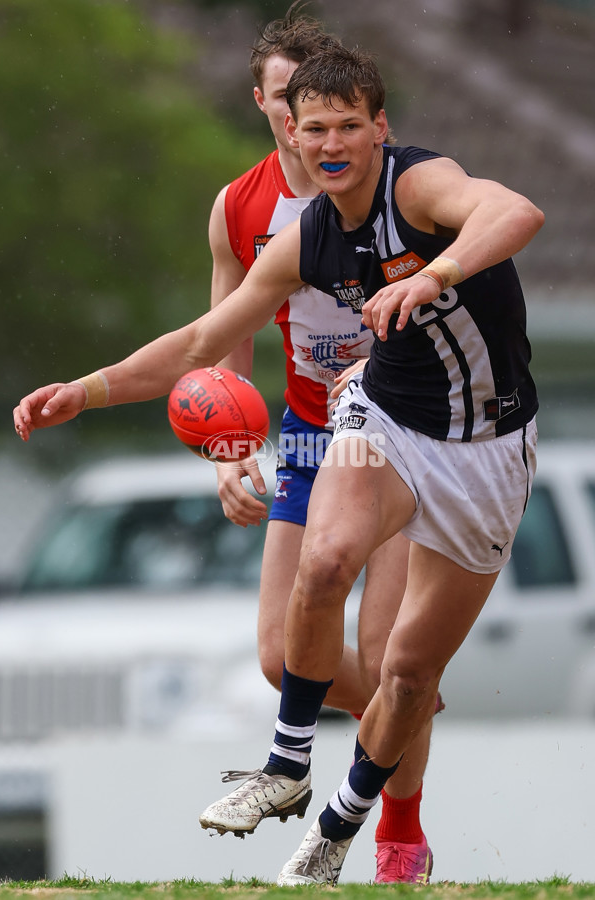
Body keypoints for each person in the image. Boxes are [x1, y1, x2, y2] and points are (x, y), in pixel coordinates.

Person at [13, 43, 544, 885]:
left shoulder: (418, 185)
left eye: (346, 128)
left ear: (379, 129)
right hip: (379, 421)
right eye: (313, 131)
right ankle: (287, 765)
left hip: (487, 447)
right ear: (289, 133)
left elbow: (516, 210)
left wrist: (432, 273)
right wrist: (89, 388)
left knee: (405, 675)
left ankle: (342, 825)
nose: (328, 145)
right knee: (325, 560)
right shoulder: (300, 236)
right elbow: (202, 340)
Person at [209, 5, 438, 883]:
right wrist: (232, 445)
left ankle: (399, 839)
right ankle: (406, 709)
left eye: (325, 113)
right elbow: (226, 330)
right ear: (269, 106)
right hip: (312, 432)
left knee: (387, 658)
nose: (303, 128)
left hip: (406, 430)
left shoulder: (395, 189)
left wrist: (380, 361)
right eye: (284, 107)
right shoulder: (242, 204)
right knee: (281, 656)